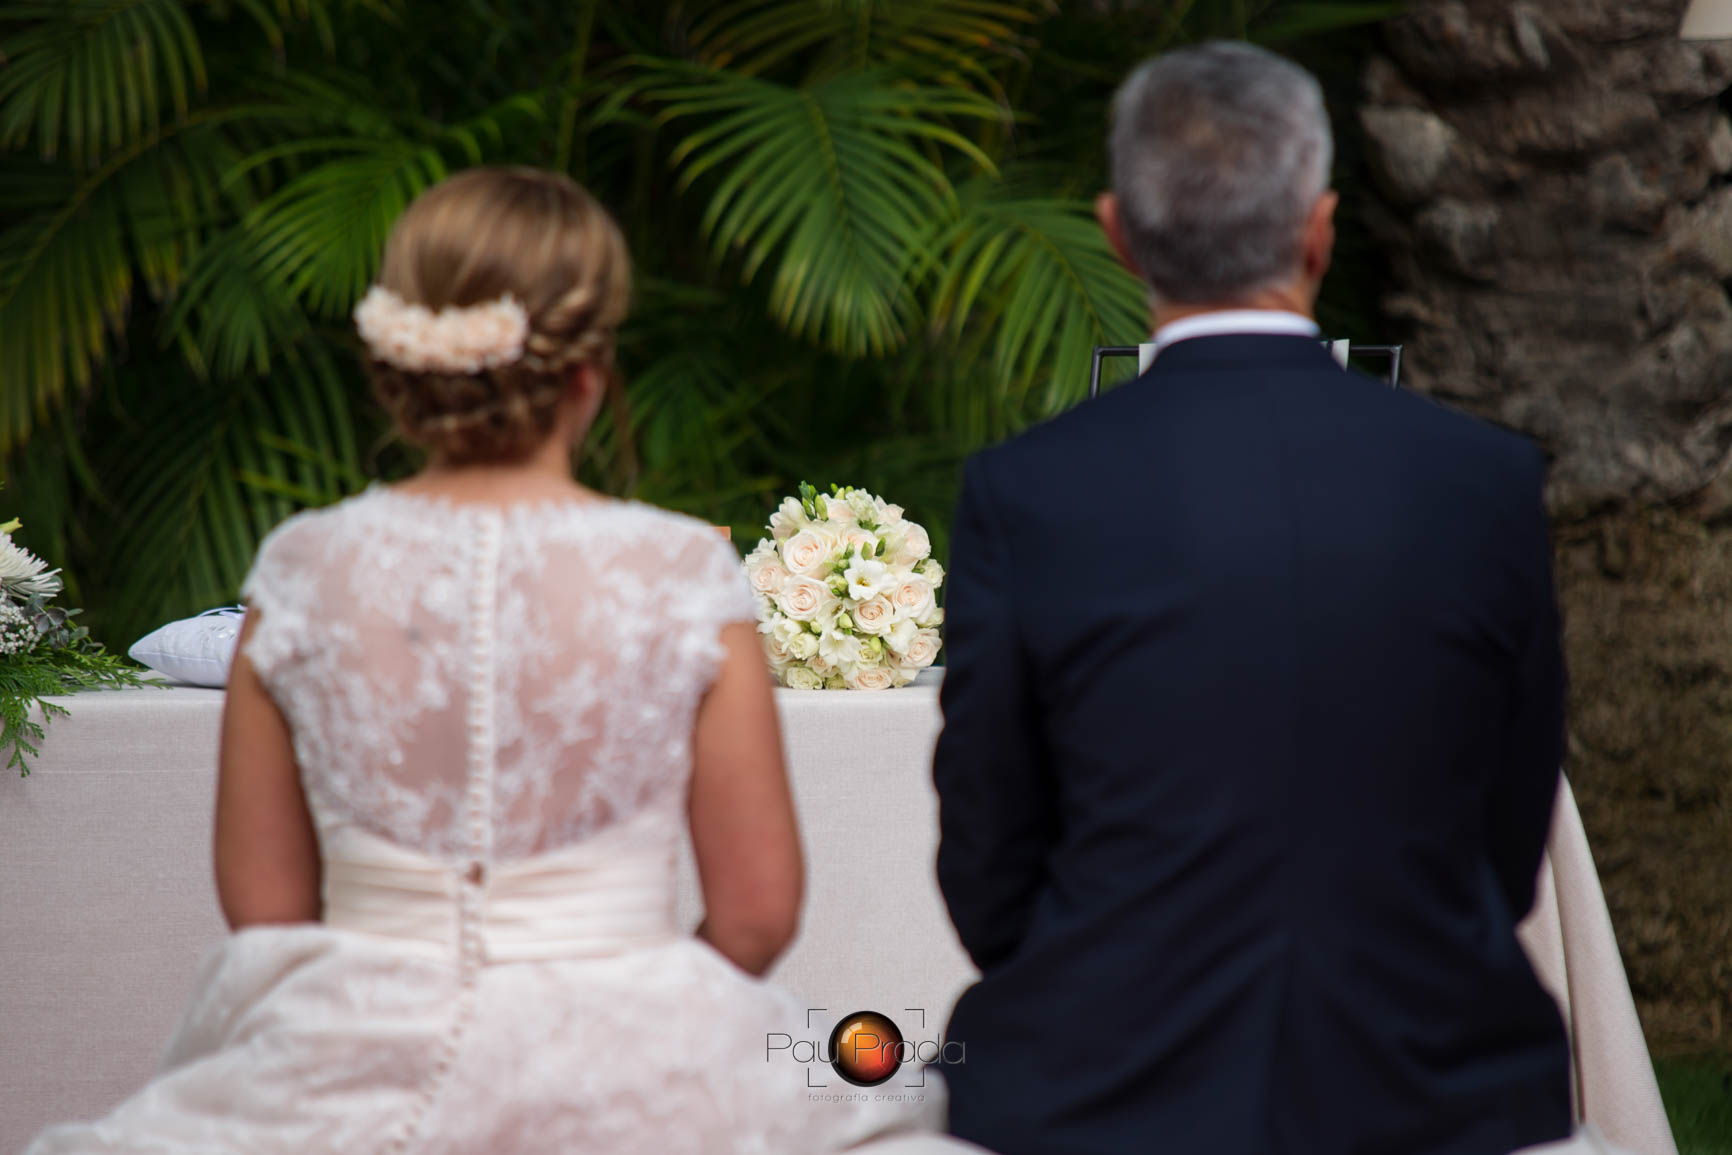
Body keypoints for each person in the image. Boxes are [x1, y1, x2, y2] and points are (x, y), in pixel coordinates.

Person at [24, 167, 945, 1154]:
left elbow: (265, 915)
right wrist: (647, 1032)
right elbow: (756, 914)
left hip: (349, 1072)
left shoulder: (299, 572)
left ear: (397, 367)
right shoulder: (682, 575)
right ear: (590, 372)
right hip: (635, 1071)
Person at [932, 42, 1577, 1155]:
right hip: (1431, 1085)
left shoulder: (1027, 488)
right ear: (1319, 232)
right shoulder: (1483, 480)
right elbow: (1509, 839)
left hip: (1098, 1092)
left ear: (1117, 233)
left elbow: (989, 854)